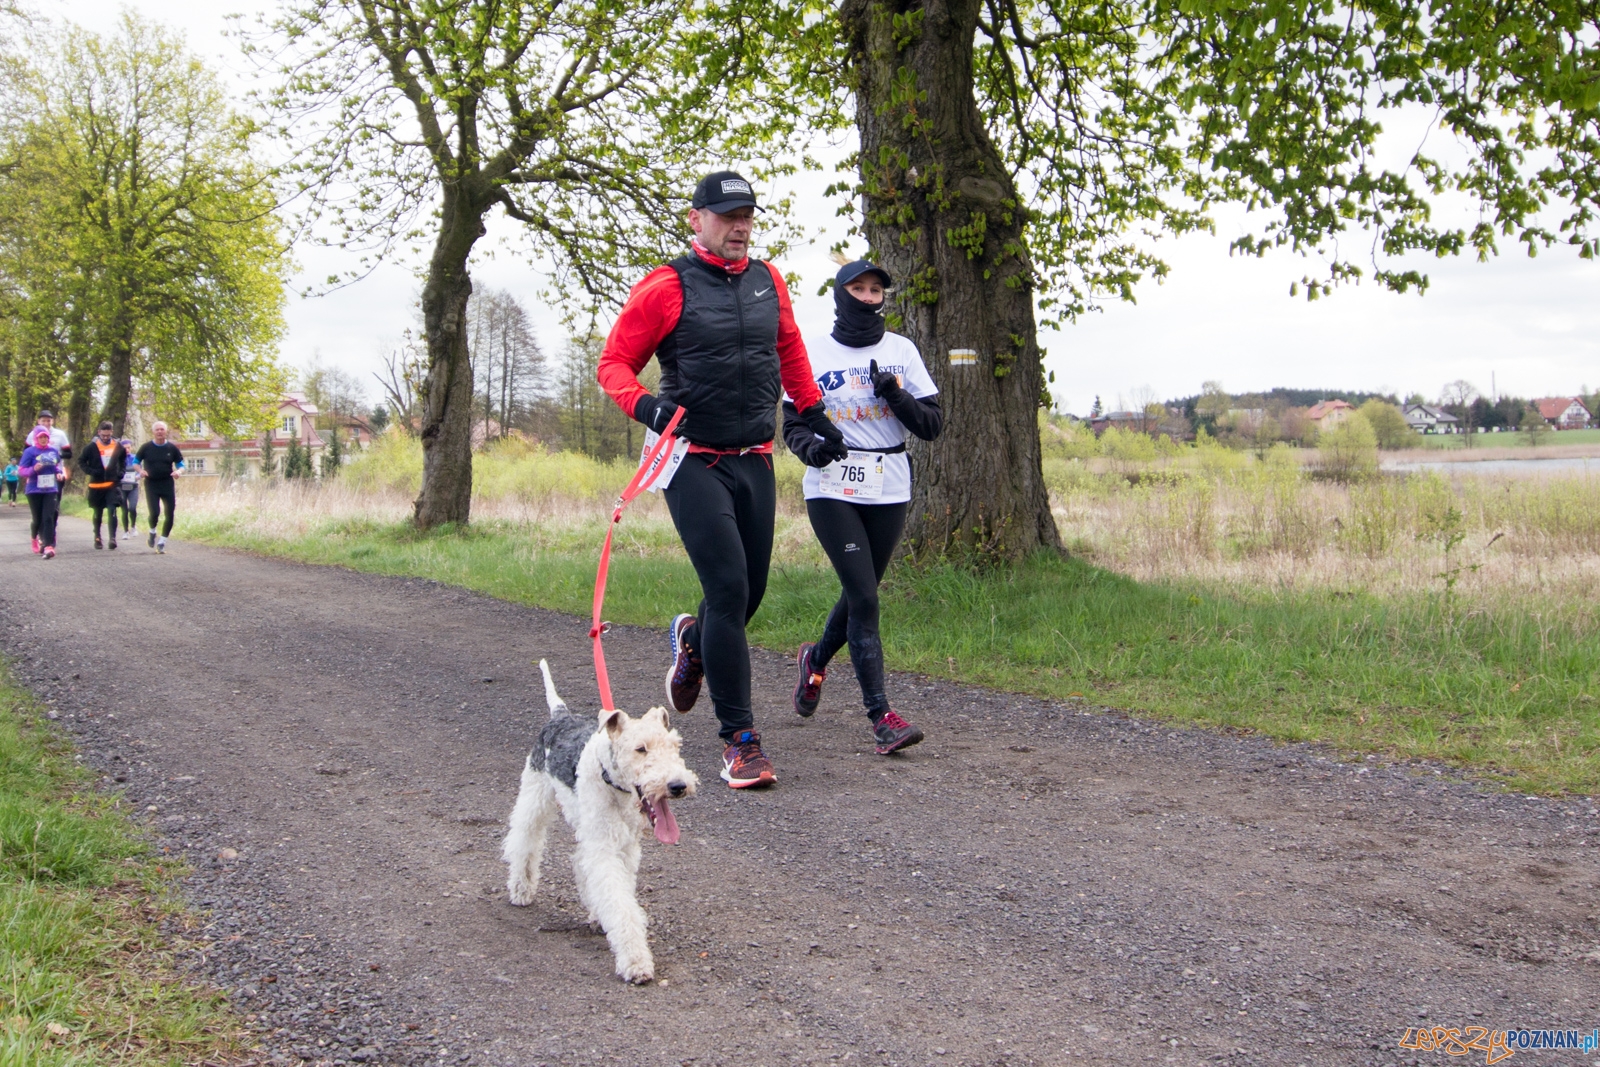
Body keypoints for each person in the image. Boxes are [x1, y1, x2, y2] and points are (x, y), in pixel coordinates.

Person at [598, 169, 848, 789]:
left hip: (754, 453)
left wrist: (811, 412)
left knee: (748, 594)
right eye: (727, 215)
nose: (740, 227)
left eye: (748, 216)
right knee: (730, 589)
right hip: (688, 456)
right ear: (697, 220)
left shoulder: (768, 281)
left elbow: (789, 351)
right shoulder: (665, 286)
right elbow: (614, 364)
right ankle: (740, 740)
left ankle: (693, 642)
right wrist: (645, 405)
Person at [783, 259, 944, 755]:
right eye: (859, 287)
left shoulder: (901, 351)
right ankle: (882, 716)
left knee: (862, 592)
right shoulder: (814, 352)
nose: (869, 296)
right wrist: (812, 449)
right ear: (840, 293)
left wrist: (895, 396)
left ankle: (815, 660)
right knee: (866, 597)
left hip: (889, 484)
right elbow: (792, 423)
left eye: (876, 289)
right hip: (832, 484)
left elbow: (933, 424)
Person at [135, 421, 184, 553]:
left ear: (166, 431)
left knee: (170, 513)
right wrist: (141, 471)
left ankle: (162, 541)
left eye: (162, 429)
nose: (160, 432)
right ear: (153, 432)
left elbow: (181, 464)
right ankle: (152, 531)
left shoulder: (172, 448)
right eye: (157, 430)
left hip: (167, 483)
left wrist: (178, 472)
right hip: (151, 484)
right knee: (154, 513)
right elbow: (136, 462)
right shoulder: (146, 447)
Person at [78, 421, 128, 550]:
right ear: (99, 432)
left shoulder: (118, 446)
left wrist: (121, 472)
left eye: (108, 435)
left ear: (111, 432)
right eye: (103, 435)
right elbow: (81, 461)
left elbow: (123, 460)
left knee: (112, 510)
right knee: (98, 512)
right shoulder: (91, 447)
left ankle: (112, 538)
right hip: (96, 485)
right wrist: (91, 471)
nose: (105, 437)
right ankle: (98, 537)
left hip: (112, 484)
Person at [19, 426, 65, 559]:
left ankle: (48, 545)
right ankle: (34, 538)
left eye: (46, 437)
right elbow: (22, 470)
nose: (44, 439)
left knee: (48, 517)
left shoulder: (53, 451)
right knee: (37, 519)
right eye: (41, 437)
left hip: (50, 489)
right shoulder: (29, 452)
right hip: (34, 489)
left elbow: (56, 467)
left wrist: (59, 474)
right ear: (36, 438)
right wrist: (33, 469)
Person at [117, 438, 140, 532]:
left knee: (132, 507)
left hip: (133, 486)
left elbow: (140, 470)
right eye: (125, 448)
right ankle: (126, 530)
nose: (127, 450)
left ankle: (133, 525)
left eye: (128, 448)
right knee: (124, 510)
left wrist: (138, 476)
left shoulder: (135, 458)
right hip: (122, 487)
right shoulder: (118, 459)